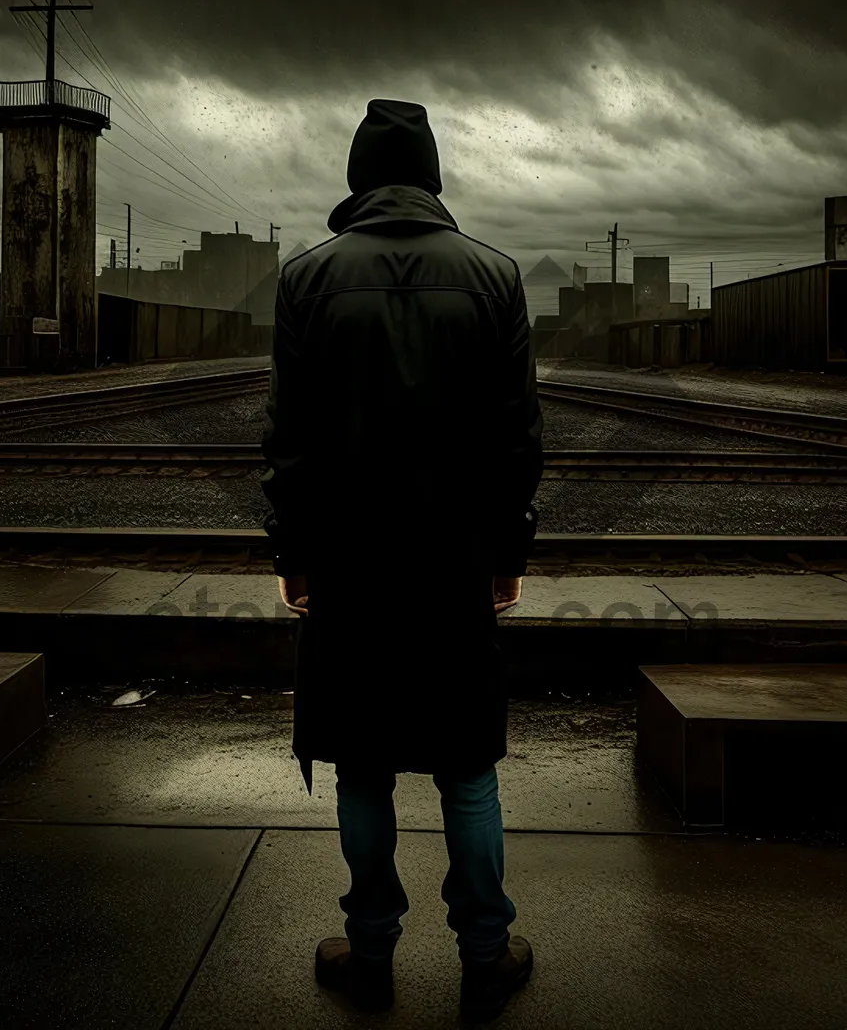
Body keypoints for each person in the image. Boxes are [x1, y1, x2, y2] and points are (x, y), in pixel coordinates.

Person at [260, 97, 544, 1019]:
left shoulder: (307, 279)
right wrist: (509, 553)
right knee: (468, 766)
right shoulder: (497, 278)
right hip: (456, 561)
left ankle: (372, 945)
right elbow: (516, 441)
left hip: (349, 567)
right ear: (431, 175)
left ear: (356, 176)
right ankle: (487, 952)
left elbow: (290, 440)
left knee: (363, 762)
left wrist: (294, 555)